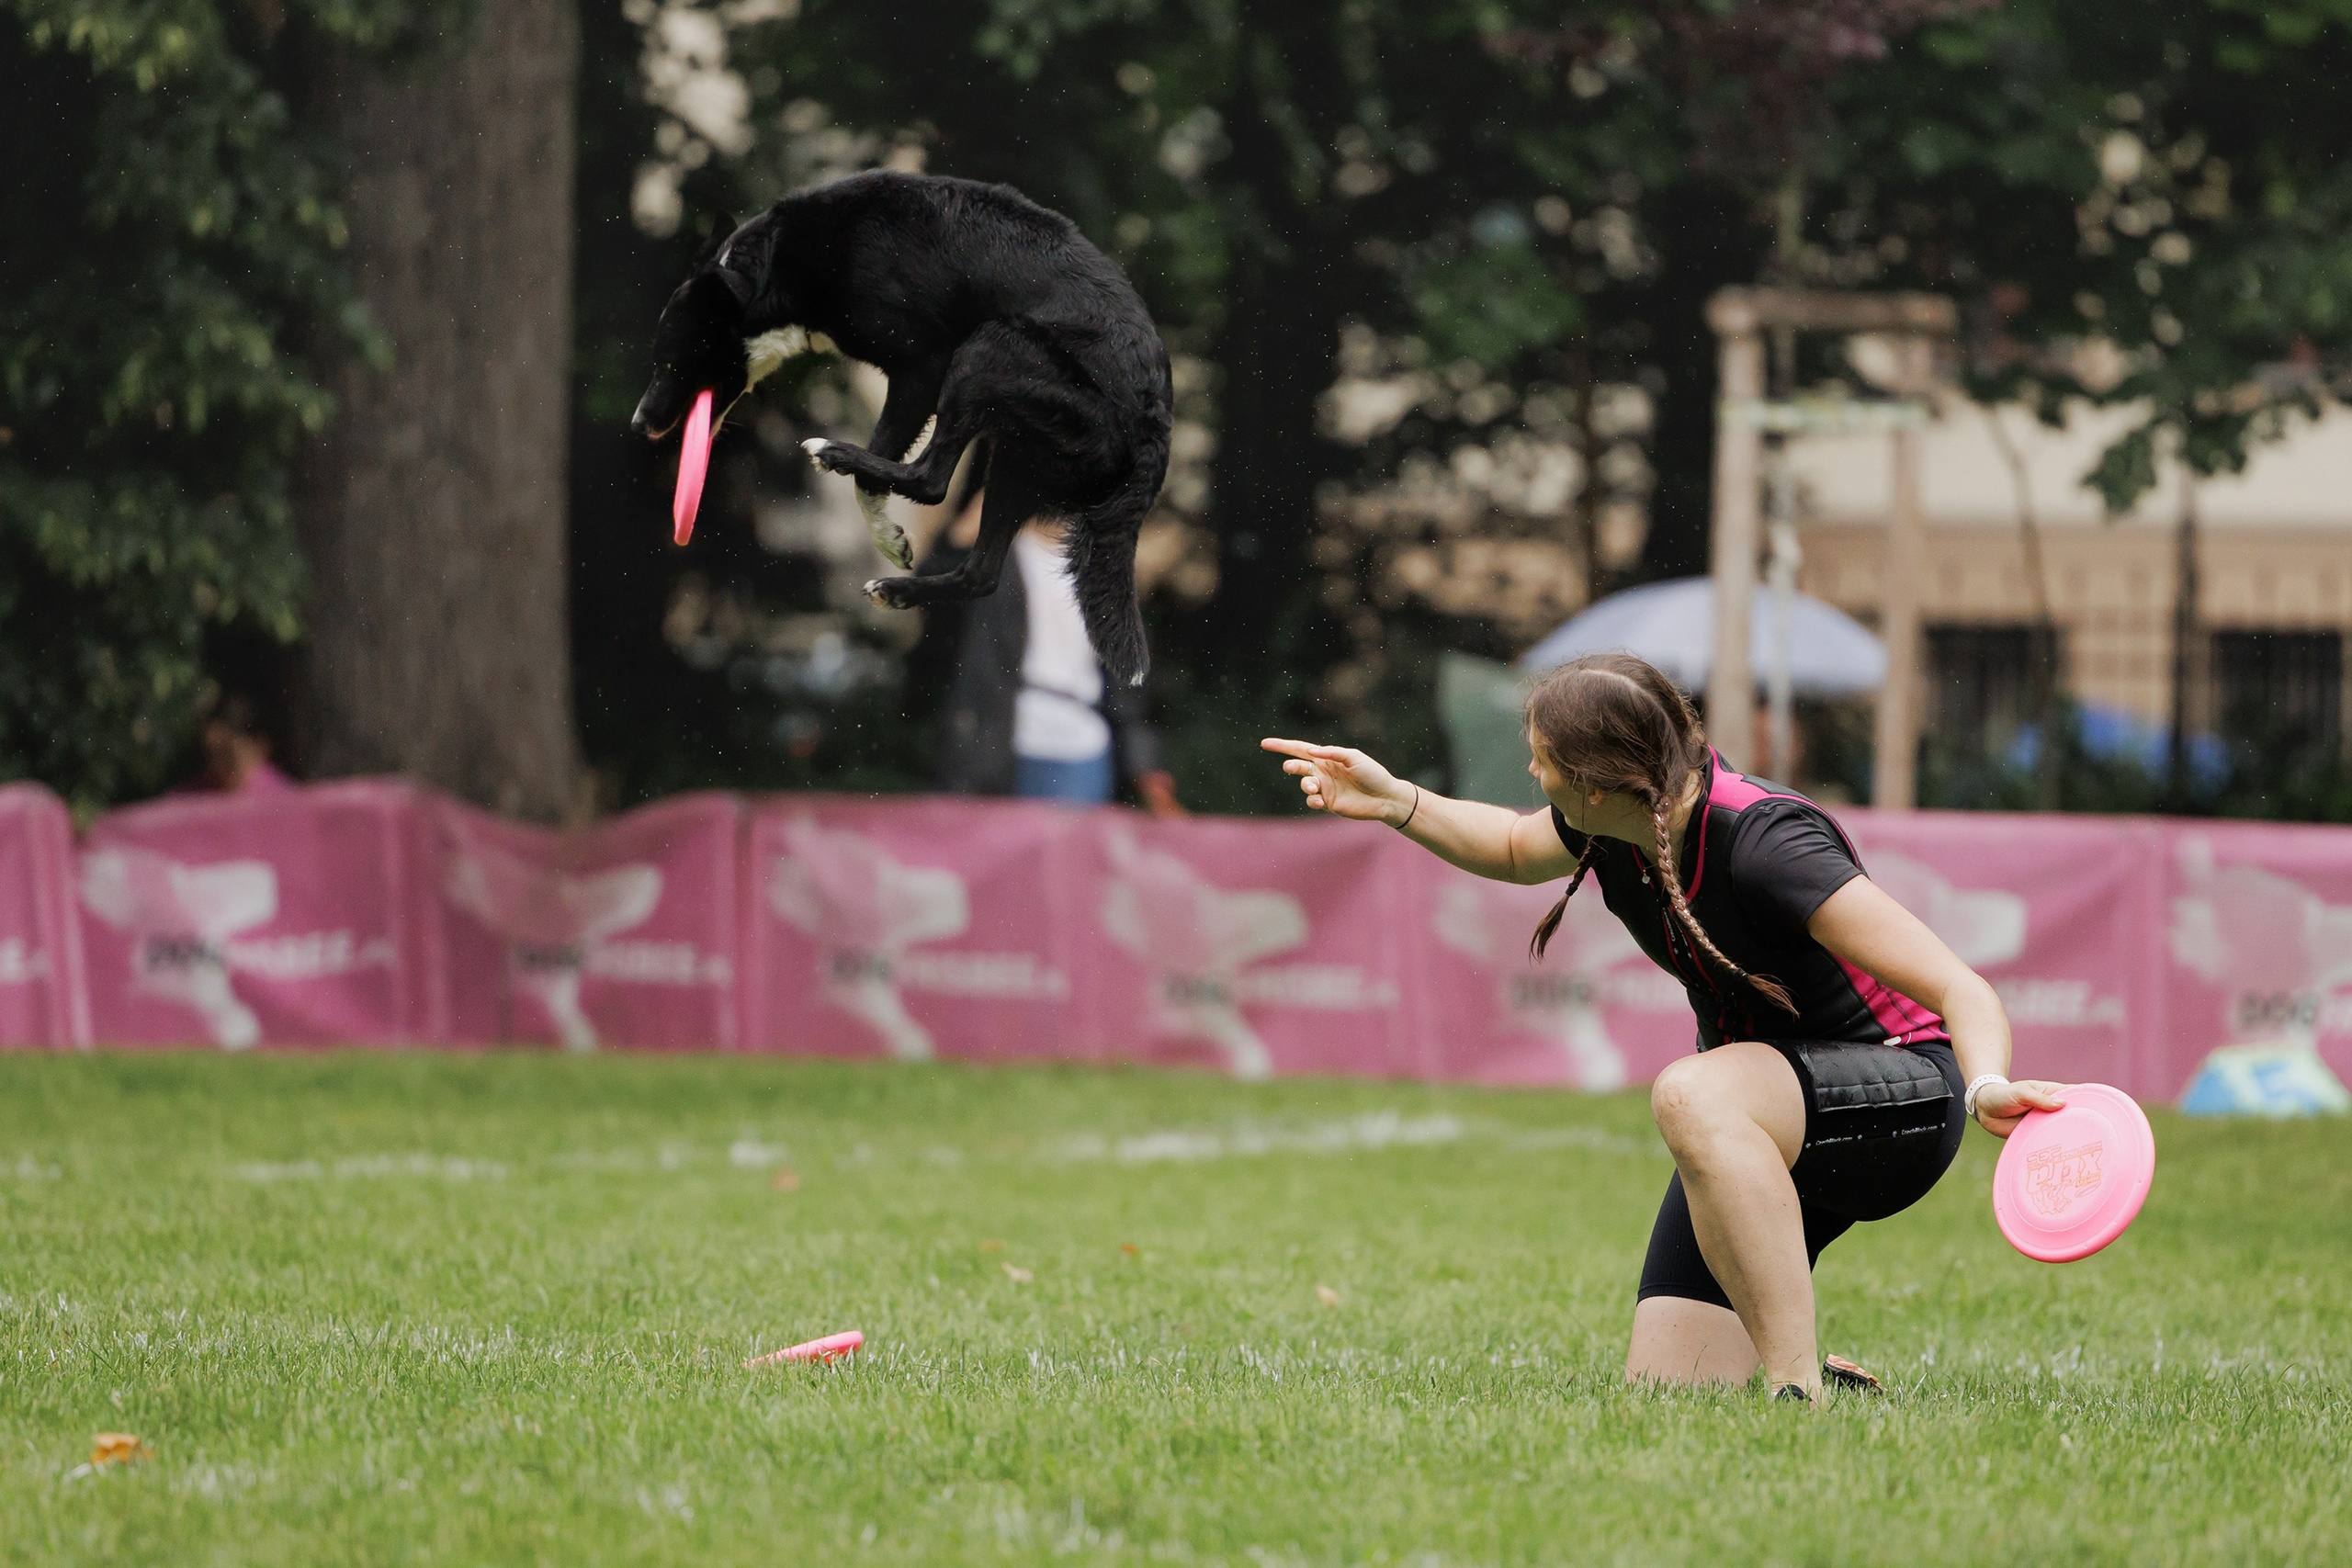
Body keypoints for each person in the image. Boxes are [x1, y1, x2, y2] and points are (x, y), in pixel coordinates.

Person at [1261, 651, 2062, 1403]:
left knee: (1690, 1093)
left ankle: (1795, 1391)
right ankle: (1838, 1386)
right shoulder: (1619, 817)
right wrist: (1393, 799)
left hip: (1905, 1096)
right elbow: (1509, 846)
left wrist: (1988, 1083)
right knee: (1670, 1389)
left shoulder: (1766, 842)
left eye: (1542, 760)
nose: (1532, 775)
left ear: (1600, 786)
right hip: (1763, 1117)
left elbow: (1959, 985)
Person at [909, 478, 1183, 816]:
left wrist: (1146, 766)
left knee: (1067, 861)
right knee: (995, 856)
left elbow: (1128, 686)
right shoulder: (999, 558)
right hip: (1002, 733)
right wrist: (960, 536)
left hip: (1081, 744)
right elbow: (934, 596)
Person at [187, 693, 294, 795]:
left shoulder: (285, 800)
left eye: (225, 751)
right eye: (210, 754)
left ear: (258, 745)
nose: (217, 765)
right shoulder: (192, 796)